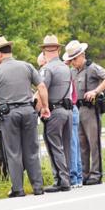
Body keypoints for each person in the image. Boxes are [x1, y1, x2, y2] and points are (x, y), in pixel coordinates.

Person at [0, 36, 48, 197]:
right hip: (28, 111)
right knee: (31, 150)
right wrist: (45, 107)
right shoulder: (27, 66)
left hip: (9, 115)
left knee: (13, 152)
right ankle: (38, 187)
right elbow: (41, 86)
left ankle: (18, 189)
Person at [65, 40, 105, 186]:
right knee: (81, 144)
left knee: (94, 143)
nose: (73, 62)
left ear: (82, 55)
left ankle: (96, 173)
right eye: (71, 59)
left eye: (74, 59)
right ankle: (84, 174)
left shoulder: (92, 68)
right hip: (77, 109)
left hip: (90, 109)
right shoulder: (72, 71)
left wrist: (96, 91)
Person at [38, 35, 74, 192]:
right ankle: (68, 178)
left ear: (44, 51)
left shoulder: (47, 69)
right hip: (67, 110)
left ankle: (61, 180)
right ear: (58, 49)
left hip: (54, 111)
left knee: (54, 146)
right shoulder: (66, 67)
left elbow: (42, 89)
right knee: (66, 146)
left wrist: (38, 108)